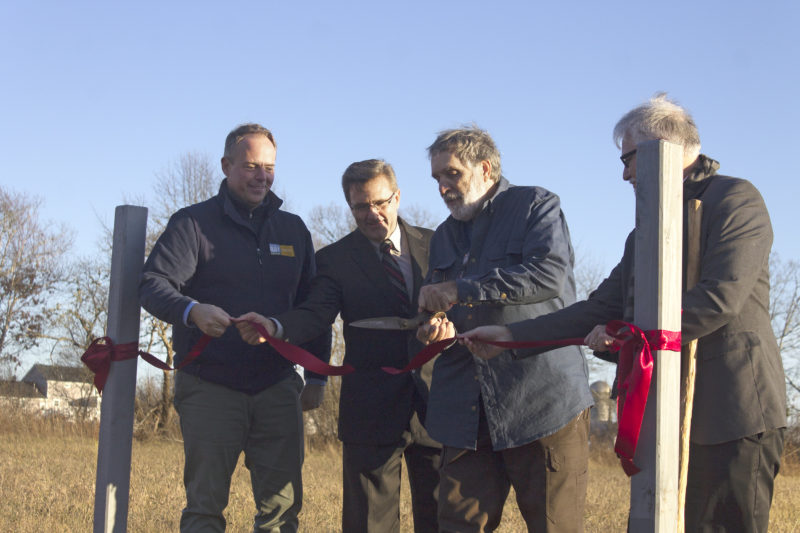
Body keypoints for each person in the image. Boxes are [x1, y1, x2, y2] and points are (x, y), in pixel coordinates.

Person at [462, 94, 787, 533]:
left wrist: (631, 336)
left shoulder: (734, 199)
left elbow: (719, 298)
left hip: (732, 412)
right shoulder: (645, 233)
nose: (625, 174)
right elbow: (599, 308)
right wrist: (509, 337)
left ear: (663, 147)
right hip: (662, 415)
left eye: (629, 159)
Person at [139, 123, 330, 532]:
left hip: (278, 386)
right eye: (250, 166)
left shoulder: (293, 230)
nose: (262, 176)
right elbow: (152, 284)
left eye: (269, 167)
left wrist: (316, 375)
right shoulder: (192, 224)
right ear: (226, 166)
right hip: (210, 384)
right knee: (205, 508)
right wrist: (191, 310)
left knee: (282, 512)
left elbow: (314, 306)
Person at [237, 159, 440, 533]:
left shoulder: (439, 244)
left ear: (397, 197)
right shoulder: (333, 259)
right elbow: (314, 315)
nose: (372, 214)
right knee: (368, 525)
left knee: (444, 521)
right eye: (360, 206)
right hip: (371, 405)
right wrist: (276, 326)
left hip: (438, 400)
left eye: (380, 202)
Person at [415, 126, 593, 532]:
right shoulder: (443, 236)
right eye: (437, 179)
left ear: (485, 168)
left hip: (542, 401)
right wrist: (432, 327)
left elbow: (548, 274)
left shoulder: (535, 205)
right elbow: (436, 307)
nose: (443, 187)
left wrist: (461, 290)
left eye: (452, 174)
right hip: (465, 410)